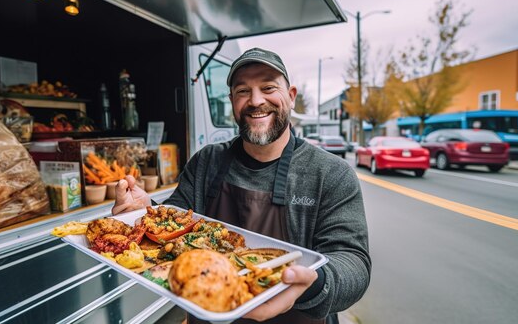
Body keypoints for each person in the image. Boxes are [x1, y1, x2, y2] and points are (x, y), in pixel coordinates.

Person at [112, 48, 371, 324]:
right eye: (243, 91)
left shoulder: (330, 173)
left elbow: (353, 263)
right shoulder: (206, 161)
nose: (256, 100)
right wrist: (146, 215)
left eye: (268, 87)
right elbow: (175, 222)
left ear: (291, 96)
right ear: (232, 101)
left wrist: (313, 284)